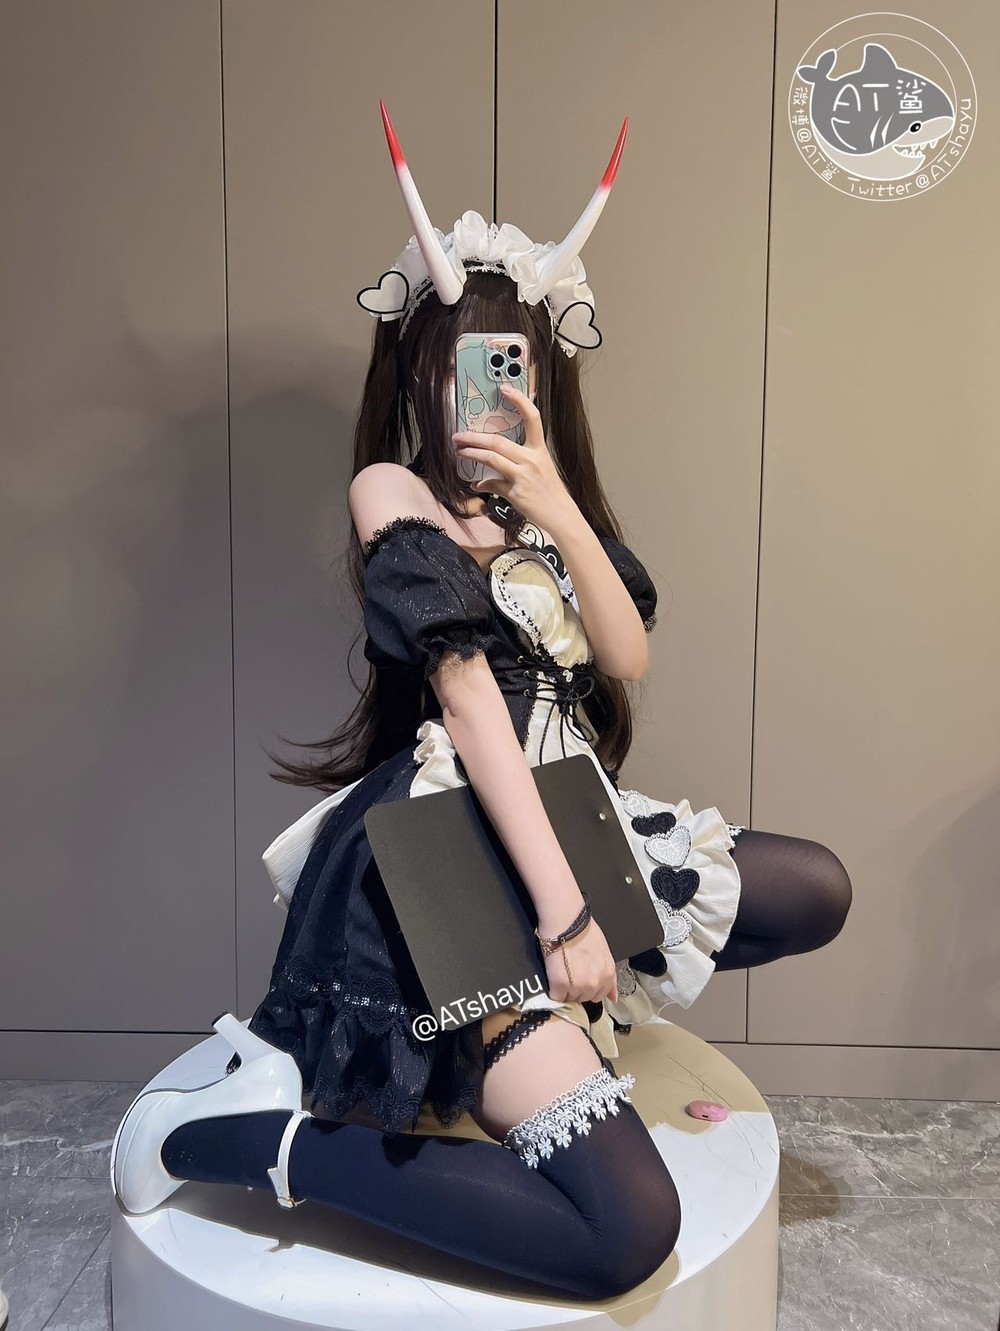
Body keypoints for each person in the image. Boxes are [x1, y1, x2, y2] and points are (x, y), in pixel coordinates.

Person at [110, 105, 852, 1301]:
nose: (482, 393)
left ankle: (548, 1018)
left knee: (812, 886)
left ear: (541, 374)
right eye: (459, 365)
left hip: (562, 805)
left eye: (511, 364)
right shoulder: (389, 488)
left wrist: (555, 505)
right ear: (418, 372)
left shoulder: (542, 508)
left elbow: (623, 655)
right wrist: (567, 917)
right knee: (625, 1227)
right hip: (449, 844)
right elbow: (465, 699)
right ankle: (239, 1134)